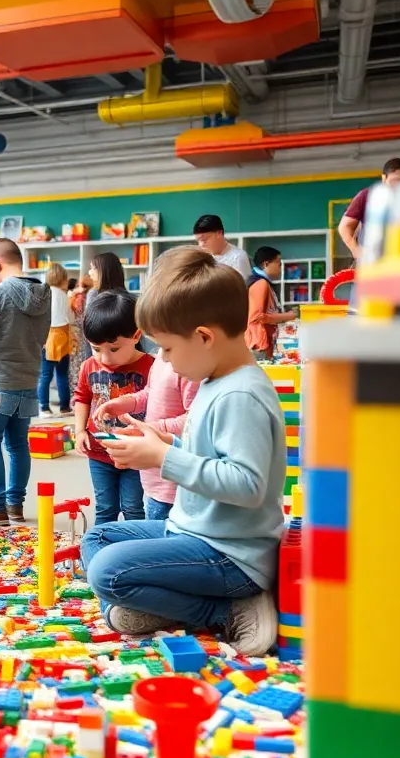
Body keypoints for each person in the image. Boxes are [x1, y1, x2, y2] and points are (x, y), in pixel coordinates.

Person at [82, 247, 285, 656]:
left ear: (205, 337)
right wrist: (164, 441)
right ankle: (168, 608)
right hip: (195, 532)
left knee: (107, 571)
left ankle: (224, 611)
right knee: (98, 537)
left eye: (169, 350)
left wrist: (162, 459)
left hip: (231, 555)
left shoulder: (241, 393)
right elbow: (207, 451)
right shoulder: (215, 378)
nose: (167, 364)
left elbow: (247, 485)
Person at [0, 238, 51, 524]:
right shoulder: (44, 293)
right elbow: (41, 338)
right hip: (29, 379)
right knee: (18, 444)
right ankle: (15, 505)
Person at [73, 290, 154, 525]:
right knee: (105, 508)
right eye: (96, 349)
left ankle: (133, 556)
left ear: (136, 335)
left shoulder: (152, 367)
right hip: (99, 452)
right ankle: (102, 551)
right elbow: (82, 398)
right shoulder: (89, 366)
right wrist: (79, 431)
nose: (105, 358)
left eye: (114, 349)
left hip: (135, 452)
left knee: (133, 507)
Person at [92, 350, 198, 521]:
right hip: (152, 479)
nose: (161, 353)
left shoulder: (190, 367)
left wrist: (149, 430)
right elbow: (150, 392)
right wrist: (125, 403)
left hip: (172, 485)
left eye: (167, 345)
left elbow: (193, 420)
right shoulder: (162, 357)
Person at [338, 157, 400, 261]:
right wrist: (356, 250)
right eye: (395, 181)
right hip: (373, 262)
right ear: (384, 178)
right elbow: (345, 226)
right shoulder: (367, 196)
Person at [246, 246, 297, 362]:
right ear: (266, 264)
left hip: (264, 344)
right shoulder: (260, 284)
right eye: (279, 264)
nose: (281, 268)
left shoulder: (264, 283)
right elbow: (256, 317)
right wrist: (288, 316)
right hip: (259, 346)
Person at [38, 263, 74, 415]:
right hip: (63, 337)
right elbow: (70, 318)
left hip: (48, 338)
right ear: (62, 279)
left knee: (45, 376)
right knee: (62, 375)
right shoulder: (64, 295)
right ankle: (65, 406)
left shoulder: (44, 294)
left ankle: (44, 407)